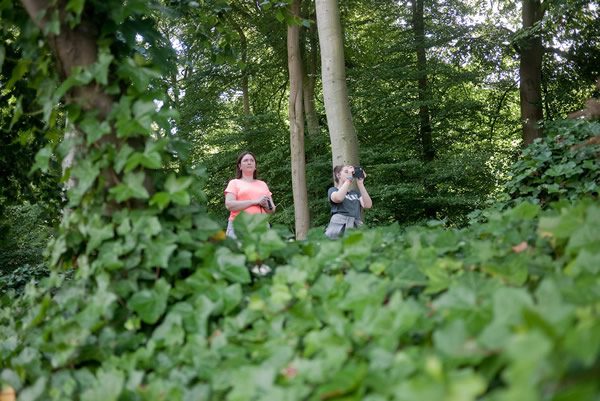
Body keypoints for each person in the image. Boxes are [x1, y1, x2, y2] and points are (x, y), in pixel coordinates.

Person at [224, 151, 275, 238]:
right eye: (246, 160)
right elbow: (229, 205)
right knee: (239, 251)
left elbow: (272, 209)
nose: (249, 162)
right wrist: (255, 201)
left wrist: (266, 205)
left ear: (255, 166)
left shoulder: (262, 184)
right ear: (240, 166)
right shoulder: (234, 183)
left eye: (252, 160)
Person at [325, 165, 372, 239]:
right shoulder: (333, 190)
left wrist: (360, 183)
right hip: (339, 226)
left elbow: (368, 205)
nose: (350, 174)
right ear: (338, 175)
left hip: (355, 226)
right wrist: (348, 180)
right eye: (346, 171)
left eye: (351, 172)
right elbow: (338, 198)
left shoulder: (355, 193)